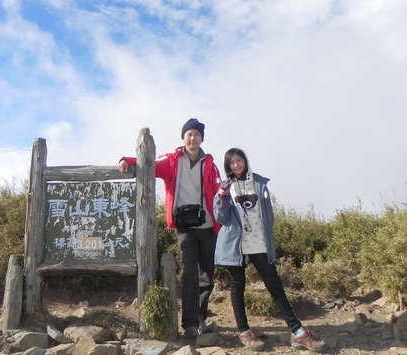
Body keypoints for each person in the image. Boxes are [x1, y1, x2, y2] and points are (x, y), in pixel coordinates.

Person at [214, 147, 325, 352]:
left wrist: (270, 241)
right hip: (236, 245)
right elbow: (220, 218)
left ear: (245, 161)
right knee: (238, 287)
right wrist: (222, 196)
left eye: (239, 160)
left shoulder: (259, 183)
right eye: (232, 163)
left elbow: (269, 215)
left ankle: (297, 332)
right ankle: (244, 332)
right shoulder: (226, 187)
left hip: (259, 244)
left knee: (275, 287)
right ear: (227, 166)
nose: (236, 165)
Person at [118, 118, 222, 338]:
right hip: (185, 227)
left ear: (202, 138)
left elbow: (218, 193)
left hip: (208, 226)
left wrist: (222, 222)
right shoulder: (173, 160)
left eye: (197, 134)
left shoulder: (210, 163)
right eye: (189, 134)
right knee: (190, 274)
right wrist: (126, 159)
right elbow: (148, 163)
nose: (193, 138)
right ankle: (191, 324)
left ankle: (200, 318)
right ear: (183, 137)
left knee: (208, 275)